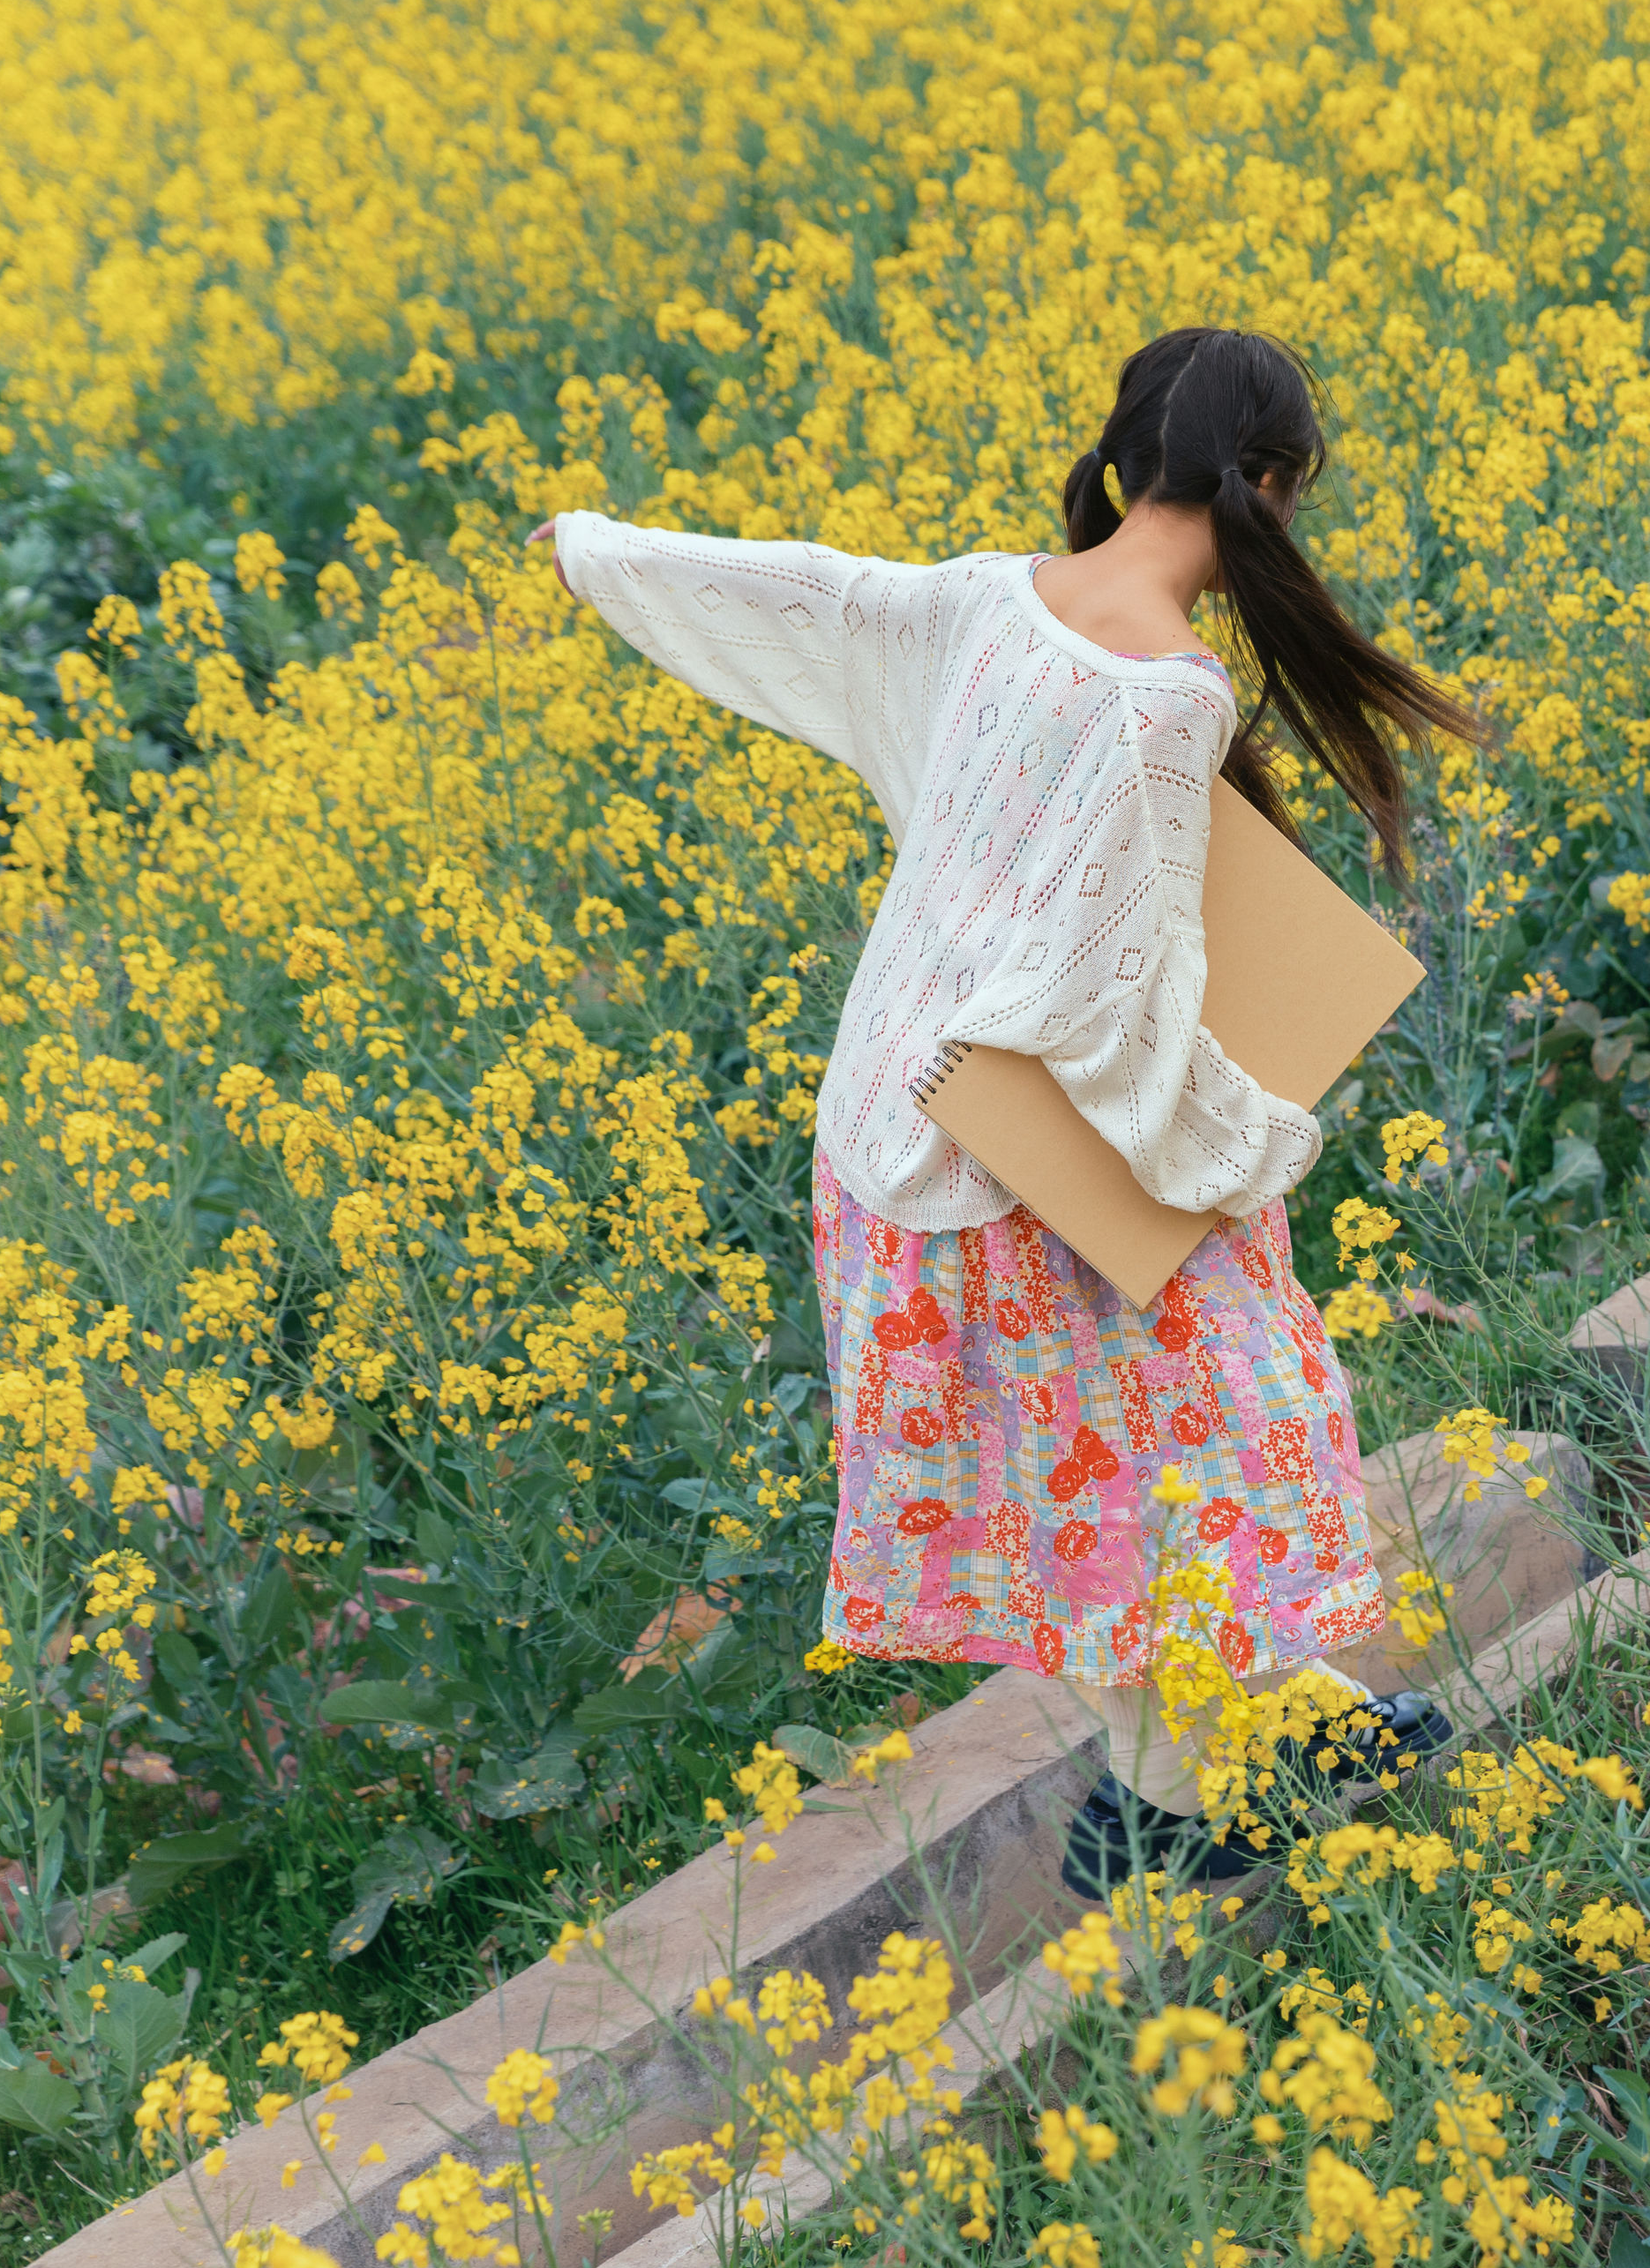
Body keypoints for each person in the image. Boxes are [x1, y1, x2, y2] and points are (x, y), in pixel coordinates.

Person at [533, 326, 1476, 1900]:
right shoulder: (1164, 700)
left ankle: (1286, 1740)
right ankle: (1167, 1808)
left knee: (1098, 1483)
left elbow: (810, 592)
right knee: (1183, 1455)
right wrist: (1241, 1146)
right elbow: (1103, 1011)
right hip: (1015, 1164)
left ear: (1126, 453)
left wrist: (603, 552)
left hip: (882, 1138)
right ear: (1270, 491)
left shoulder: (991, 594)